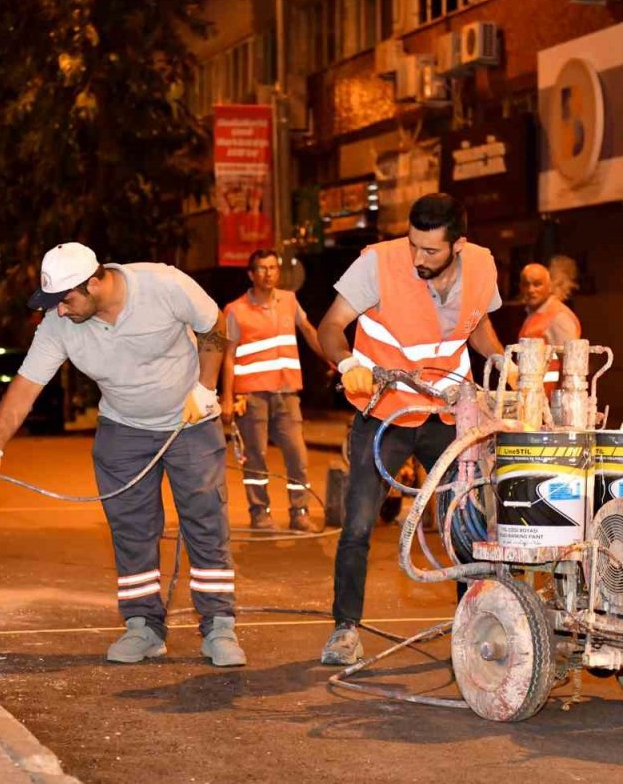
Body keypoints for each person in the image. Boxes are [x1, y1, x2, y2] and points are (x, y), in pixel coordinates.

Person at [0, 242, 246, 667]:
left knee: (205, 520)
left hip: (191, 421)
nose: (59, 311)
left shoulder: (163, 284)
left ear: (95, 282)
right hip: (123, 430)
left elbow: (214, 327)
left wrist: (206, 389)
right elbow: (25, 386)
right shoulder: (59, 325)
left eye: (65, 300)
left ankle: (219, 625)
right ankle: (143, 626)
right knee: (131, 529)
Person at [315, 193, 512, 665]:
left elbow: (477, 325)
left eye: (430, 251)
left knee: (464, 522)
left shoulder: (482, 266)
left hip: (446, 412)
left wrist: (503, 360)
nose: (417, 258)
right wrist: (346, 364)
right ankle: (345, 630)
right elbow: (330, 326)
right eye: (413, 246)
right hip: (383, 411)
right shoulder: (378, 265)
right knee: (359, 524)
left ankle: (475, 624)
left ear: (458, 245)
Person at [222, 249, 329, 532]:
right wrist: (227, 398)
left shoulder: (289, 302)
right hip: (252, 396)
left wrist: (333, 359)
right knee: (255, 457)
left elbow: (308, 330)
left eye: (272, 268)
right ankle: (259, 512)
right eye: (261, 268)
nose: (268, 273)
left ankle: (300, 511)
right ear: (251, 274)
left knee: (297, 454)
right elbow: (229, 355)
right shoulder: (236, 310)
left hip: (286, 393)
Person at [518, 261, 581, 395]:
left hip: (550, 404)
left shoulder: (558, 317)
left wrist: (560, 405)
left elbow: (571, 366)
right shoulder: (534, 314)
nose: (530, 289)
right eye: (526, 284)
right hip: (535, 400)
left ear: (549, 286)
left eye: (537, 284)